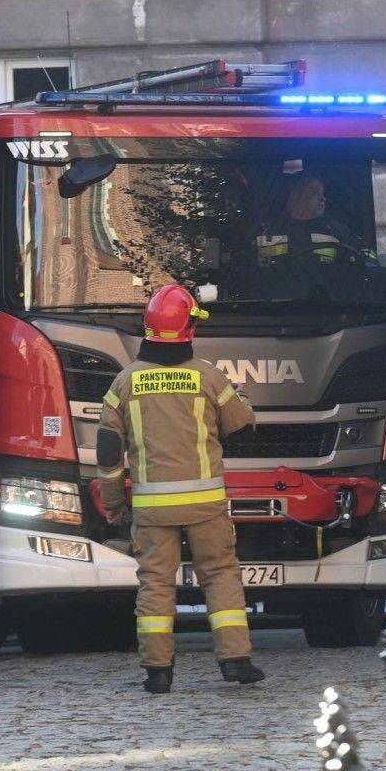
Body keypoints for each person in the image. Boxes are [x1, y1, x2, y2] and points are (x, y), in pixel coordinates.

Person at [96, 284, 263, 693]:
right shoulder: (207, 376)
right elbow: (243, 427)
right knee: (220, 575)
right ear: (189, 330)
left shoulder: (124, 384)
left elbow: (108, 451)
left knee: (155, 583)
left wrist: (115, 503)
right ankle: (235, 661)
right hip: (205, 505)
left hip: (152, 508)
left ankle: (158, 673)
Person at [254, 173, 371, 268]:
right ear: (294, 195)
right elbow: (248, 266)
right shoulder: (267, 229)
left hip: (326, 294)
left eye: (323, 194)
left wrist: (371, 267)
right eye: (315, 192)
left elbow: (365, 254)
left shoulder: (336, 229)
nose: (322, 198)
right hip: (277, 294)